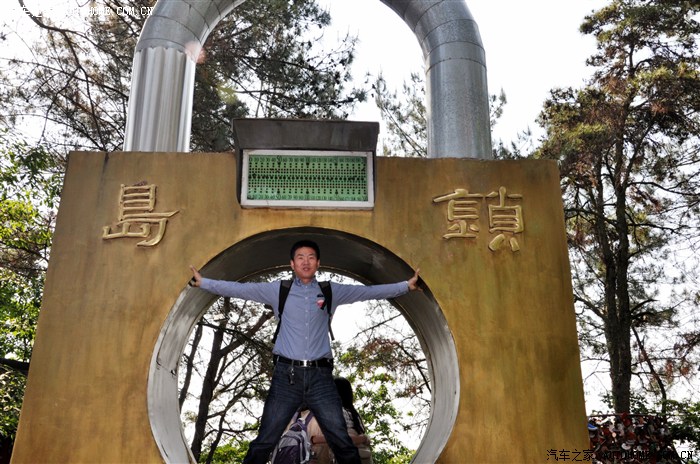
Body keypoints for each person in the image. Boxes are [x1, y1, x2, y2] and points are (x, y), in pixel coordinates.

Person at [189, 239, 420, 464]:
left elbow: (368, 292)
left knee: (341, 440)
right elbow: (241, 289)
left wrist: (405, 286)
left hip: (321, 379)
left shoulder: (329, 291)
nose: (306, 262)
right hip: (286, 377)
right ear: (292, 263)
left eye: (311, 257)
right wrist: (204, 282)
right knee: (265, 440)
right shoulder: (279, 290)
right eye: (300, 257)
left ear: (318, 263)